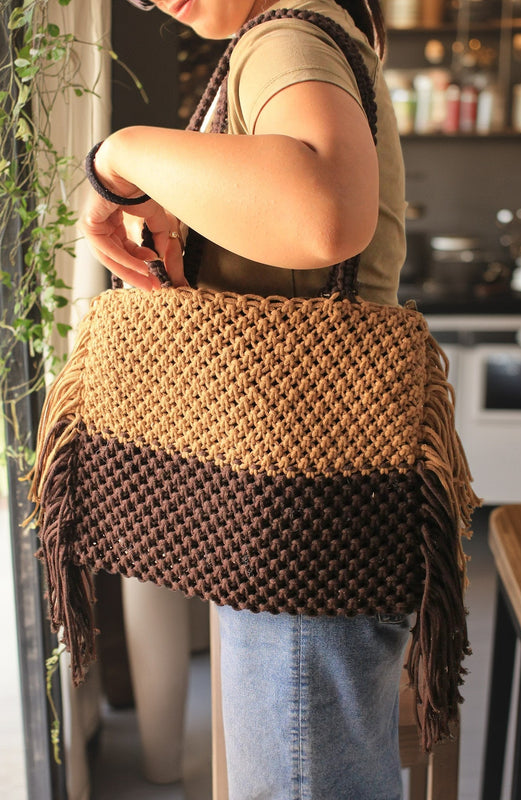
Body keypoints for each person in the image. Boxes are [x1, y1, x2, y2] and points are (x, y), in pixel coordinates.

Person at [81, 1, 409, 798]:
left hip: (299, 497)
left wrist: (121, 152)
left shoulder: (282, 35)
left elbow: (325, 214)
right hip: (301, 484)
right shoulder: (298, 30)